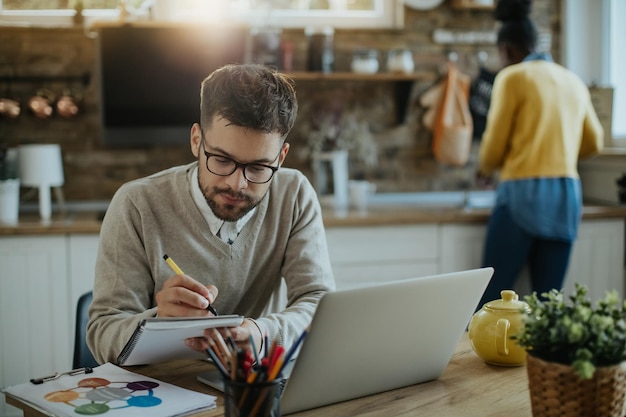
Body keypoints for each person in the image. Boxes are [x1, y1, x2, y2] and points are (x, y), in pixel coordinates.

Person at [87, 64, 336, 364]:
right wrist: (160, 321)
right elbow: (102, 336)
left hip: (253, 388)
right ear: (196, 140)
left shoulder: (294, 194)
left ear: (281, 157)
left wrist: (262, 334)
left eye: (258, 167)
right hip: (162, 395)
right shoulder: (136, 204)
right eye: (221, 159)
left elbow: (319, 306)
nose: (237, 183)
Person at [475, 0, 603, 308]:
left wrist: (485, 168)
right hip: (566, 196)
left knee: (493, 303)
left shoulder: (512, 77)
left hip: (522, 194)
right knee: (548, 304)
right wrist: (560, 153)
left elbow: (494, 141)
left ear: (505, 49)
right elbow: (594, 142)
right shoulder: (572, 81)